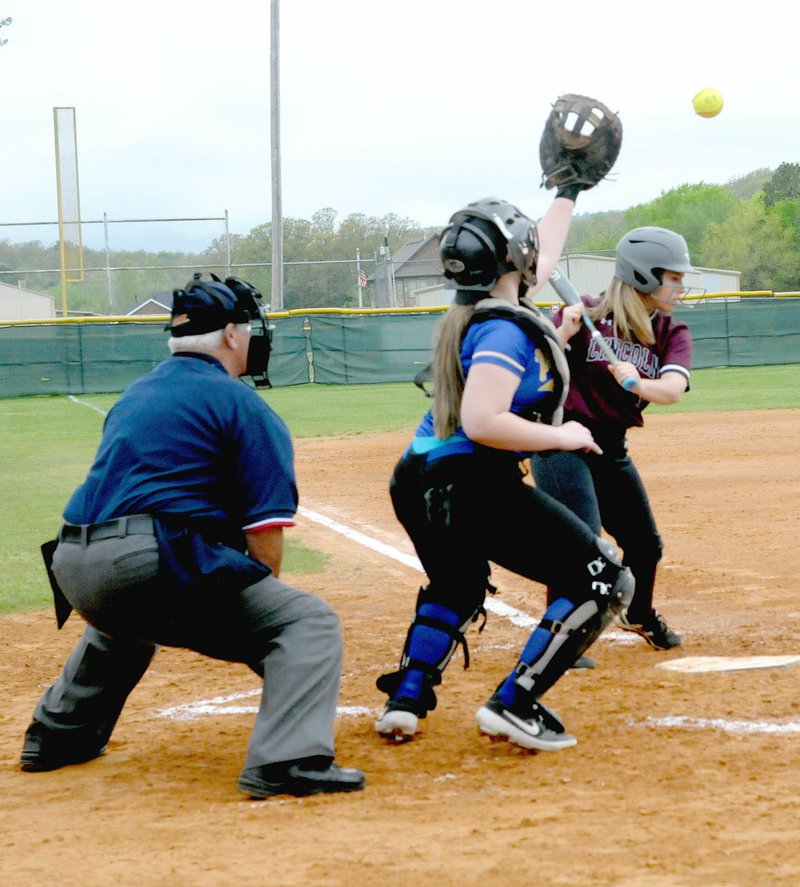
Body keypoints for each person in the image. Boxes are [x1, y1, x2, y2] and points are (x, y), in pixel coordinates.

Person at [20, 274, 365, 799]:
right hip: (144, 560)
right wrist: (259, 617)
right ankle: (286, 763)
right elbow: (264, 531)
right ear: (230, 335)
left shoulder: (137, 394)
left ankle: (56, 737)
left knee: (127, 617)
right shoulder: (240, 403)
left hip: (72, 564)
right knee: (307, 623)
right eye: (246, 329)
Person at [374, 194, 635, 751]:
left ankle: (407, 698)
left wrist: (568, 187)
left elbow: (543, 256)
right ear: (512, 258)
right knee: (605, 580)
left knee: (458, 583)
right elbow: (484, 421)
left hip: (419, 481)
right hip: (468, 484)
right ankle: (515, 704)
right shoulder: (503, 330)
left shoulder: (484, 310)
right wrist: (563, 436)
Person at [532, 226, 695, 659]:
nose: (681, 286)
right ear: (644, 276)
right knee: (582, 538)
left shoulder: (670, 332)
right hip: (561, 438)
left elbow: (673, 389)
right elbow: (533, 366)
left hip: (610, 444)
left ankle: (639, 613)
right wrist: (563, 332)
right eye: (673, 277)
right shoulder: (582, 314)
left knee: (645, 544)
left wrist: (639, 381)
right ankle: (561, 629)